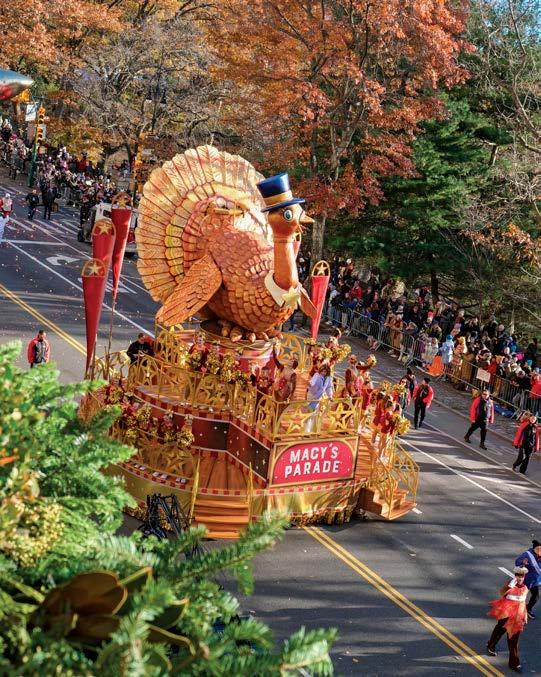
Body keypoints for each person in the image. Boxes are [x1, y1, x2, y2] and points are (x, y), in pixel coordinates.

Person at [486, 566, 529, 672]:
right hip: (506, 615)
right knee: (499, 631)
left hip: (517, 619)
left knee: (513, 641)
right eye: (518, 575)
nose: (520, 578)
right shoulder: (510, 585)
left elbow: (523, 603)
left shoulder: (525, 588)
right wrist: (509, 586)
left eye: (522, 576)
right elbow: (502, 593)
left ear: (524, 577)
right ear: (515, 576)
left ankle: (514, 663)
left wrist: (525, 615)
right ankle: (490, 645)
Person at [515, 539, 541, 620]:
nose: (539, 551)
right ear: (534, 548)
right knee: (519, 596)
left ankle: (528, 608)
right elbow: (517, 562)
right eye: (538, 549)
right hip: (525, 580)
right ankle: (514, 609)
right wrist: (523, 563)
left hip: (535, 581)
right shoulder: (527, 554)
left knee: (536, 596)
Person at [306, 364, 333, 432]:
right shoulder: (317, 375)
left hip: (319, 397)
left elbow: (329, 387)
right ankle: (306, 430)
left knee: (316, 413)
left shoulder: (328, 378)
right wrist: (310, 383)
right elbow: (312, 382)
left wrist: (330, 396)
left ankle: (314, 430)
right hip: (312, 395)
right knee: (310, 412)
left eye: (325, 371)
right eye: (322, 371)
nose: (323, 373)